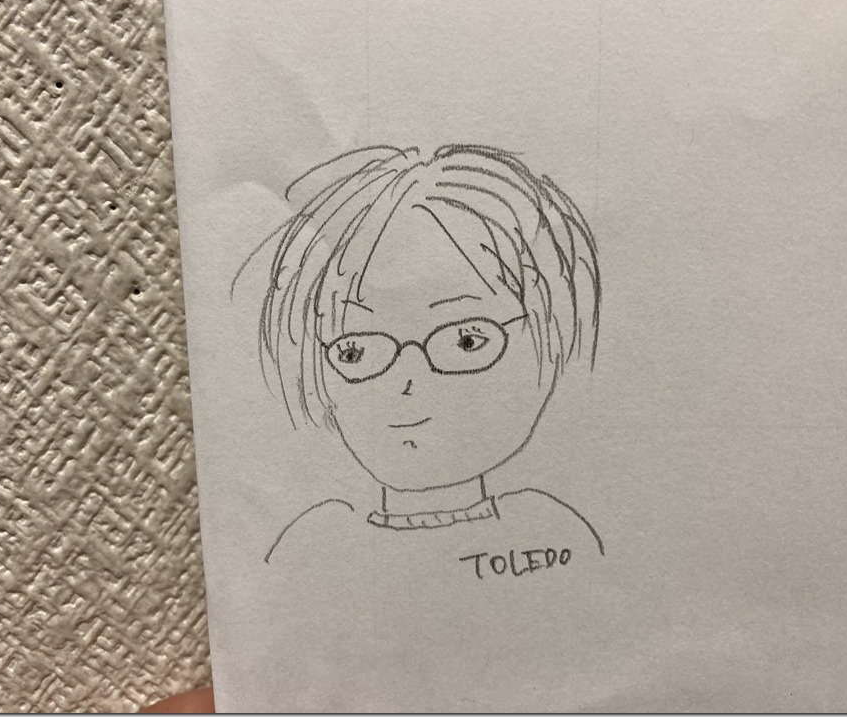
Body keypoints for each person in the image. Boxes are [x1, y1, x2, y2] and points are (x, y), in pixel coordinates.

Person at [240, 144, 604, 572]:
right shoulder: (312, 547)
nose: (407, 382)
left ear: (548, 332)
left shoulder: (550, 534)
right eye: (355, 351)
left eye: (466, 341)